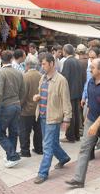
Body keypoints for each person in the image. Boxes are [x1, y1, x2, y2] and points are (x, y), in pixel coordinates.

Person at [66, 59, 100, 188]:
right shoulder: (90, 81)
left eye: (93, 68)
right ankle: (78, 179)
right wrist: (87, 117)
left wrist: (96, 124)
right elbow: (91, 100)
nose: (90, 70)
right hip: (91, 119)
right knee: (84, 148)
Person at [33, 53, 72, 184]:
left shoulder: (61, 80)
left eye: (44, 64)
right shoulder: (42, 78)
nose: (42, 66)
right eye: (41, 64)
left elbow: (66, 101)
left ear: (52, 63)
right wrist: (37, 97)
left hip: (54, 118)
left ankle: (42, 173)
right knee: (52, 143)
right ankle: (64, 157)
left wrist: (67, 119)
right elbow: (42, 93)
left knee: (47, 145)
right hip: (43, 116)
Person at [0, 50, 25, 168]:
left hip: (6, 106)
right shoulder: (18, 72)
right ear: (11, 59)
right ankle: (11, 156)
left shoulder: (1, 73)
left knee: (0, 133)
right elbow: (23, 91)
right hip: (16, 105)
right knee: (13, 132)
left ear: (1, 58)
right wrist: (19, 102)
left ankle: (12, 155)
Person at [19, 55, 43, 157]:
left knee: (24, 131)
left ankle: (25, 151)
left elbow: (23, 95)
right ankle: (39, 148)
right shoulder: (41, 75)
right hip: (38, 108)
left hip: (26, 109)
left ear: (27, 65)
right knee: (38, 130)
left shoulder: (25, 77)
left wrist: (20, 105)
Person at [61, 44, 84, 143]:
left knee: (70, 114)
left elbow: (64, 78)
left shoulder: (67, 62)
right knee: (76, 113)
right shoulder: (77, 61)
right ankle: (76, 135)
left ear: (65, 51)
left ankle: (70, 136)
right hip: (78, 91)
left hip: (70, 91)